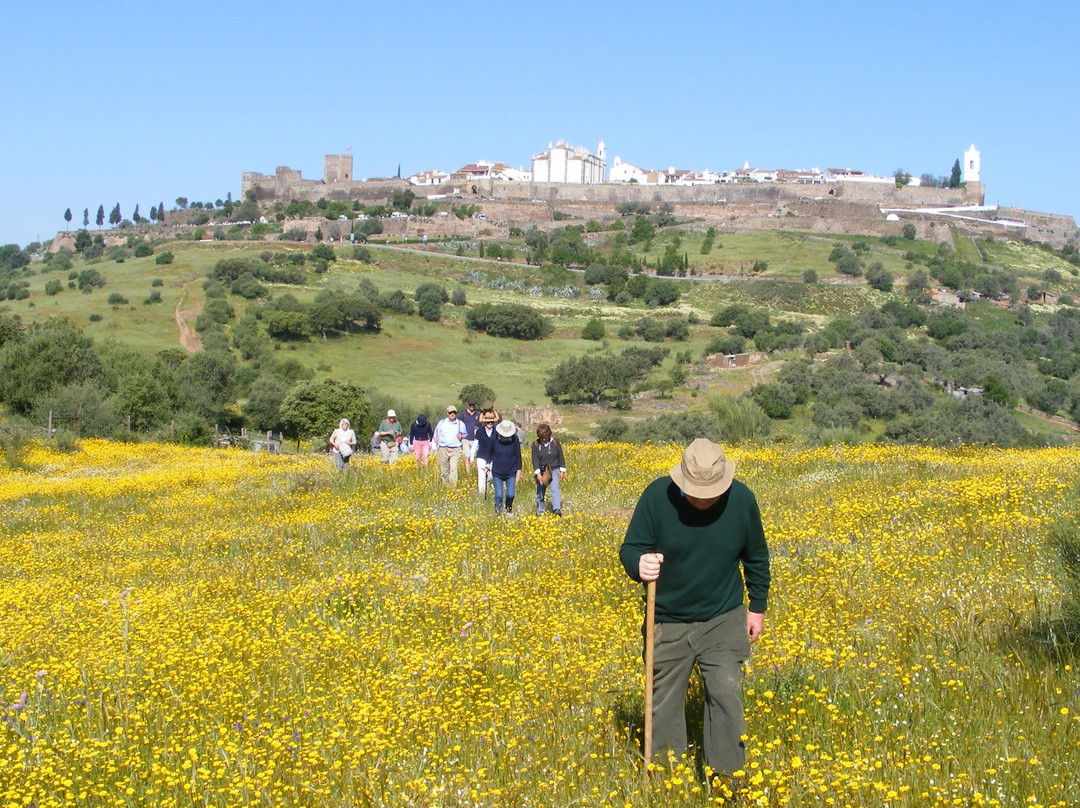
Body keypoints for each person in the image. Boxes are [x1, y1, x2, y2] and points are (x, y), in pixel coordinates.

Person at [619, 438, 771, 783]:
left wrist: (757, 609)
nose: (704, 499)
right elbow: (631, 548)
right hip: (667, 620)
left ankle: (729, 778)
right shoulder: (657, 497)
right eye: (696, 492)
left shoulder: (742, 500)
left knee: (726, 692)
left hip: (723, 616)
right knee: (664, 703)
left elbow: (757, 558)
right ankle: (667, 778)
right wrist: (638, 563)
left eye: (712, 492)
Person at [531, 423, 567, 516]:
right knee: (540, 490)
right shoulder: (535, 445)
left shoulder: (555, 443)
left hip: (554, 469)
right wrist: (538, 473)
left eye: (545, 437)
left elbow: (560, 456)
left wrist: (562, 471)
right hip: (542, 471)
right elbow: (535, 459)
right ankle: (540, 510)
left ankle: (556, 510)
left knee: (554, 488)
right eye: (541, 437)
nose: (543, 439)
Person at [489, 419, 522, 515]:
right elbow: (490, 453)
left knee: (510, 494)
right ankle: (498, 513)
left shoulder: (515, 439)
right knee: (499, 495)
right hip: (497, 471)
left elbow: (518, 455)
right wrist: (488, 465)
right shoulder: (494, 439)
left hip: (511, 471)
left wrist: (519, 472)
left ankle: (508, 509)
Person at [433, 404, 467, 485]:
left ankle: (453, 486)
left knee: (453, 468)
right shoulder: (442, 423)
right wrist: (436, 439)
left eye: (454, 412)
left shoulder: (460, 424)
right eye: (450, 412)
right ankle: (445, 486)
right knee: (444, 470)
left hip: (455, 449)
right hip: (443, 449)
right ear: (447, 413)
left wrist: (462, 436)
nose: (452, 414)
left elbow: (466, 434)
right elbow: (436, 434)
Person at [471, 413, 498, 496]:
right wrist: (471, 457)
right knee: (482, 475)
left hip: (493, 457)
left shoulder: (496, 432)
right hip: (481, 456)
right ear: (485, 422)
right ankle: (482, 494)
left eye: (491, 422)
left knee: (490, 476)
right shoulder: (480, 431)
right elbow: (475, 444)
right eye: (488, 422)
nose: (490, 423)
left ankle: (489, 490)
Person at [459, 398, 481, 474]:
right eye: (470, 405)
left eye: (473, 405)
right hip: (466, 438)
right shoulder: (463, 414)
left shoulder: (478, 414)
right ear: (467, 405)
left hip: (475, 439)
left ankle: (474, 472)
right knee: (467, 455)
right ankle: (468, 473)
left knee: (474, 456)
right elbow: (459, 425)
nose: (472, 406)